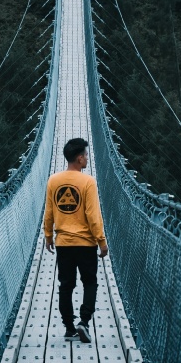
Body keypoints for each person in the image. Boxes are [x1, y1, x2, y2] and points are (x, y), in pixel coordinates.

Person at [43, 137, 109, 343]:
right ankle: (84, 321)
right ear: (79, 159)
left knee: (66, 285)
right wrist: (101, 241)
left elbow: (49, 212)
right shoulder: (88, 182)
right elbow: (93, 215)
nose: (87, 159)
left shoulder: (53, 181)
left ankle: (69, 327)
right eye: (86, 156)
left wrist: (48, 236)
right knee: (89, 283)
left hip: (64, 243)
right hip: (86, 244)